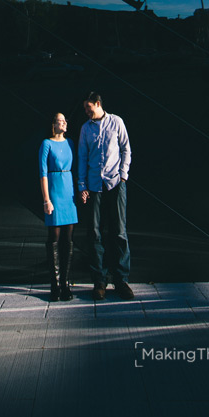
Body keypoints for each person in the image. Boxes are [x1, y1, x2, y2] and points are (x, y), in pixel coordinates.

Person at [77, 92, 133, 301]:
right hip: (94, 186)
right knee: (94, 232)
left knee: (119, 231)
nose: (86, 111)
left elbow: (126, 148)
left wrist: (123, 176)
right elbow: (82, 156)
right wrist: (82, 184)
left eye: (88, 107)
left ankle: (121, 280)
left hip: (115, 183)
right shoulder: (85, 129)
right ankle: (99, 281)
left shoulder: (116, 122)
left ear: (97, 104)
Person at [39, 112, 78, 301]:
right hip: (54, 191)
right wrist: (46, 199)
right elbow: (43, 173)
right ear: (53, 124)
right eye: (60, 121)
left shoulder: (70, 143)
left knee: (68, 238)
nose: (63, 123)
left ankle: (66, 283)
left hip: (68, 189)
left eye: (65, 120)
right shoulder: (46, 144)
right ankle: (54, 285)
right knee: (54, 237)